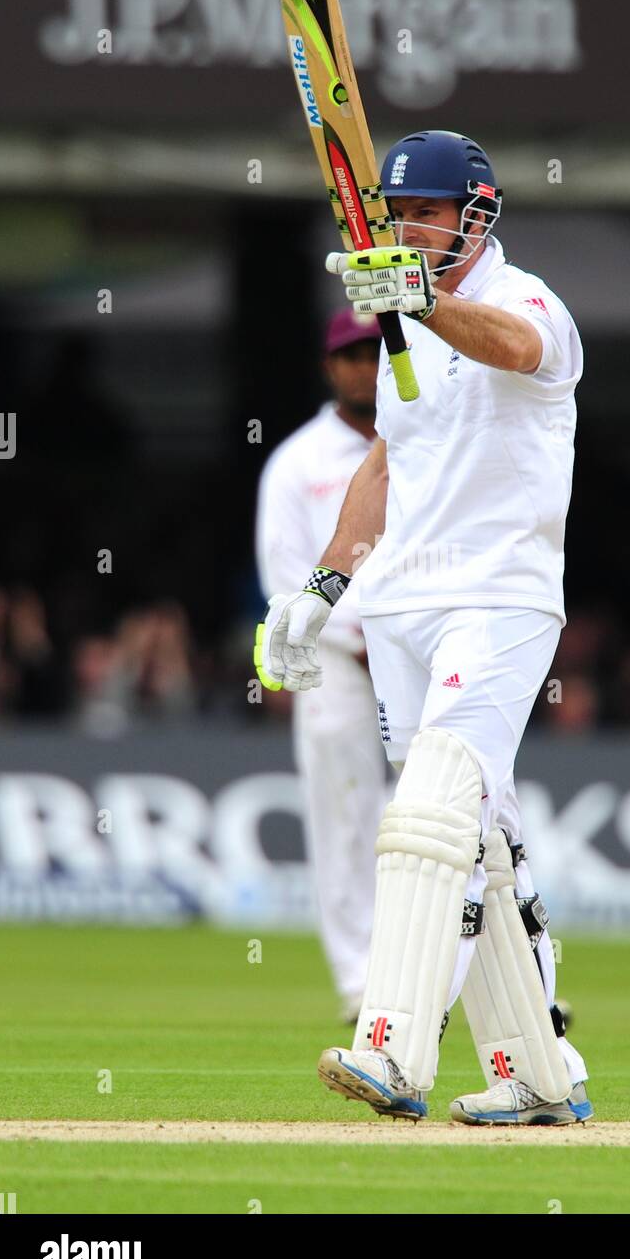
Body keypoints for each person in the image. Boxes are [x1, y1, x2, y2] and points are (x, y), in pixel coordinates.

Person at [255, 130, 591, 1125]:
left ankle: (392, 1047)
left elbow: (520, 350)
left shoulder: (526, 301)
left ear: (475, 213)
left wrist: (422, 303)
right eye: (396, 215)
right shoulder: (403, 333)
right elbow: (385, 467)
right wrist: (319, 588)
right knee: (480, 842)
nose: (407, 229)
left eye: (425, 213)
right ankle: (534, 1067)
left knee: (432, 810)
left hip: (497, 597)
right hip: (397, 604)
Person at [255, 311, 387, 1022]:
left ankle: (492, 972)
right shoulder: (297, 462)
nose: (366, 366)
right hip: (336, 663)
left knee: (461, 811)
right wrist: (356, 635)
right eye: (352, 354)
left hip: (420, 650)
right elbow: (284, 575)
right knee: (343, 818)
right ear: (329, 366)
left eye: (376, 351)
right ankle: (361, 987)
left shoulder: (425, 437)